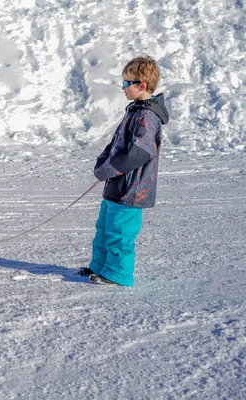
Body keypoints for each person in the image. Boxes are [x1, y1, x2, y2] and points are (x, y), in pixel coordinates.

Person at [78, 56, 170, 286]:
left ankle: (118, 273)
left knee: (120, 233)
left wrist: (109, 169)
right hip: (117, 184)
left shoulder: (148, 116)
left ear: (143, 86)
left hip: (132, 189)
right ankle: (99, 266)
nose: (124, 87)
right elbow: (117, 144)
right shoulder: (135, 110)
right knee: (104, 228)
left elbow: (138, 152)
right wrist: (102, 163)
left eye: (128, 83)